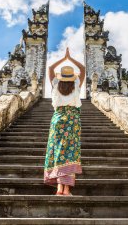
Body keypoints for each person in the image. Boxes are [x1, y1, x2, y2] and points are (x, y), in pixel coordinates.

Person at [43, 48, 85, 196]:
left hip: (58, 119)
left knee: (58, 152)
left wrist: (63, 58)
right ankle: (66, 189)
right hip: (72, 119)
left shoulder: (55, 84)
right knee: (70, 153)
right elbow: (82, 68)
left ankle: (59, 188)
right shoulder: (76, 85)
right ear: (72, 77)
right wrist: (70, 58)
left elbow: (50, 68)